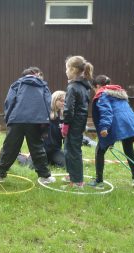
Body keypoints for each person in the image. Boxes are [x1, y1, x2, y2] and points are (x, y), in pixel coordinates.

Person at [0, 67, 55, 185]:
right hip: (36, 121)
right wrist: (45, 120)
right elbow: (48, 103)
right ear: (35, 74)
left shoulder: (17, 84)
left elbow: (9, 102)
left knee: (9, 147)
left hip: (16, 120)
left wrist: (8, 118)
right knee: (37, 148)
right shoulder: (43, 86)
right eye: (39, 74)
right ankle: (45, 176)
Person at [88, 75, 134, 188]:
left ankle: (99, 181)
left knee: (100, 150)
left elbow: (106, 112)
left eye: (94, 89)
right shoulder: (118, 93)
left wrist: (104, 127)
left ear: (97, 86)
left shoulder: (102, 94)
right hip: (129, 123)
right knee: (128, 148)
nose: (95, 91)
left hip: (115, 123)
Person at [61, 56, 93, 188]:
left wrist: (65, 124)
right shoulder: (85, 86)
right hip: (80, 122)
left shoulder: (73, 86)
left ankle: (77, 181)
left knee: (73, 150)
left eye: (67, 68)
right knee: (69, 148)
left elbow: (68, 108)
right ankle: (71, 174)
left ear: (73, 69)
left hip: (73, 123)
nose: (66, 71)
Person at [17, 90, 66, 169]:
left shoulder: (63, 116)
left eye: (65, 101)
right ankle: (19, 155)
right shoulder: (44, 113)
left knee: (66, 165)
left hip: (55, 150)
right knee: (31, 167)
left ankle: (50, 160)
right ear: (54, 100)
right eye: (61, 101)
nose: (63, 103)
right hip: (40, 150)